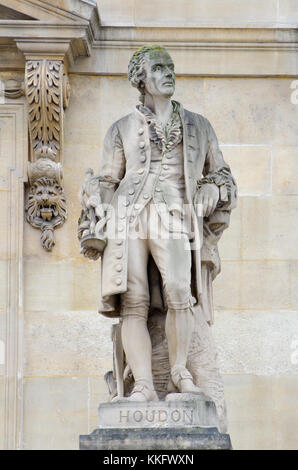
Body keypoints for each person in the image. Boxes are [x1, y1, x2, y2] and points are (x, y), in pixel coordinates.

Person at [81, 45, 237, 402]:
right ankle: (145, 386)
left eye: (170, 67)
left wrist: (213, 187)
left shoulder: (199, 125)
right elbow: (107, 179)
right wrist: (96, 201)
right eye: (159, 68)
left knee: (181, 290)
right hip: (129, 216)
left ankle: (180, 374)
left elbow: (223, 174)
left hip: (175, 214)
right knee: (132, 301)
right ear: (141, 78)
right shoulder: (120, 129)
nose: (168, 73)